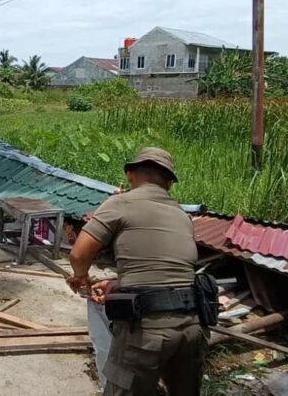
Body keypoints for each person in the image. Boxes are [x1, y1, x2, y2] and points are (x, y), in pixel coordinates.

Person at [68, 147, 204, 396]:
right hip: (191, 329)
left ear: (130, 174)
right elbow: (165, 271)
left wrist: (80, 276)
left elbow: (78, 254)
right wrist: (120, 283)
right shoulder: (182, 216)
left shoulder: (120, 202)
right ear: (170, 183)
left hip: (146, 331)